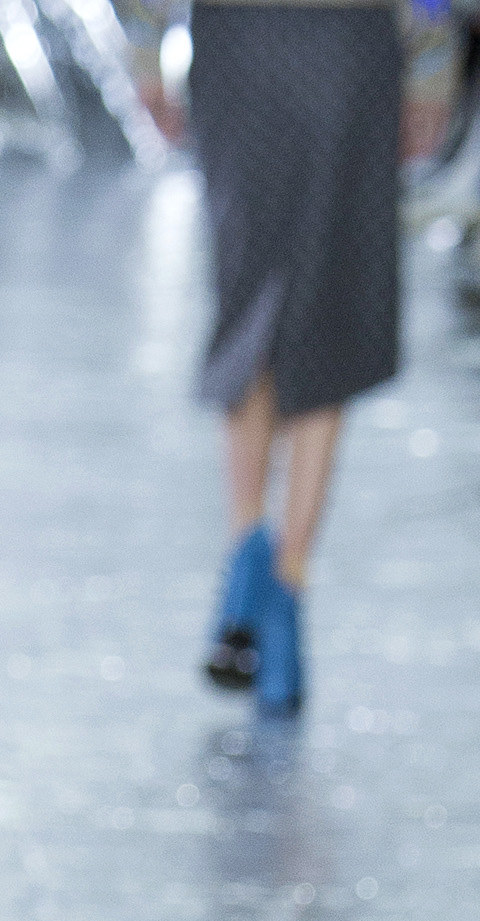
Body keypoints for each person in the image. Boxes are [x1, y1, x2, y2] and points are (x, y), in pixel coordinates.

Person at [190, 0, 404, 716]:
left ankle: (249, 562)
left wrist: (146, 44)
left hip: (243, 35)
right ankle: (283, 585)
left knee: (250, 289)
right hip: (345, 39)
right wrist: (434, 62)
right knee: (326, 302)